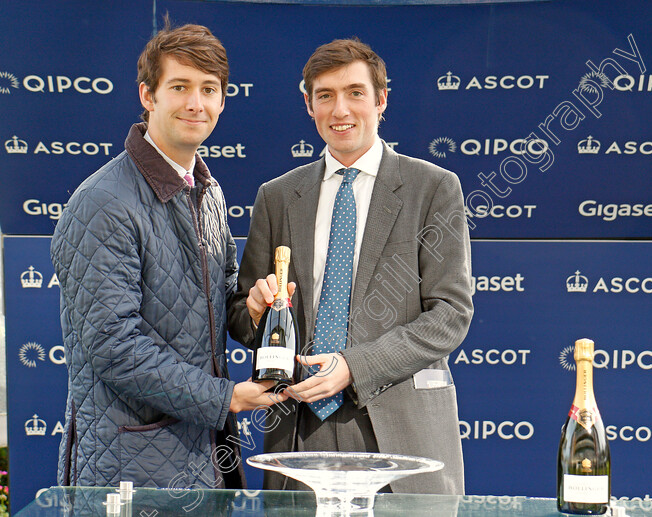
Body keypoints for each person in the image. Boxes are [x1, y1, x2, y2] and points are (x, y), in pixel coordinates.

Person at [228, 38, 473, 494]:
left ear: (381, 100)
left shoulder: (433, 188)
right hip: (300, 433)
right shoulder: (277, 196)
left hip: (402, 435)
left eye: (355, 93)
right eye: (325, 96)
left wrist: (354, 366)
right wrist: (258, 311)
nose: (340, 110)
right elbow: (243, 318)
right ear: (309, 105)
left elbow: (450, 315)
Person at [51, 22, 286, 489]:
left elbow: (221, 304)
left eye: (208, 89)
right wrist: (226, 398)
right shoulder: (103, 202)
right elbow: (114, 347)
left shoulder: (208, 191)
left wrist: (253, 310)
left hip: (203, 456)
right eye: (179, 87)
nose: (195, 103)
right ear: (148, 95)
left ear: (222, 100)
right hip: (132, 468)